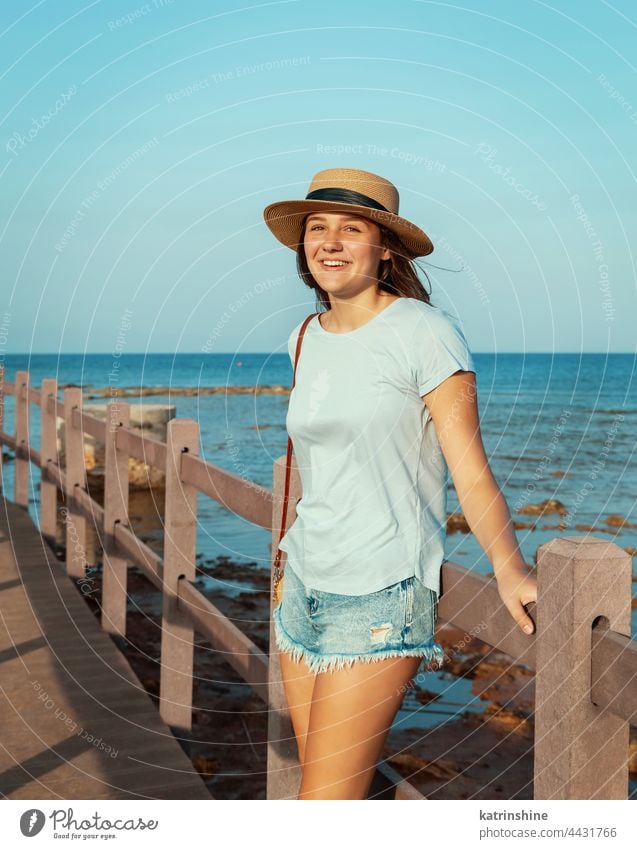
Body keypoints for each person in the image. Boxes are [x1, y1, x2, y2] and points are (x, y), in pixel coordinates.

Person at [262, 168, 537, 800]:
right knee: (327, 795)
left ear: (386, 247)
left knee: (323, 810)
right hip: (302, 581)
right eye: (317, 228)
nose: (330, 242)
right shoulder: (303, 338)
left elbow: (469, 466)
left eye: (350, 229)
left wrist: (509, 565)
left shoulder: (423, 332)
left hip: (381, 595)